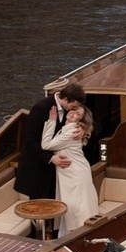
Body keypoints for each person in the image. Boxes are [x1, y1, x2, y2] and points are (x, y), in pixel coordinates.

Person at [41, 91, 99, 234]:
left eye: (78, 115)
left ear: (80, 121)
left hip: (75, 174)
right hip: (73, 172)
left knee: (77, 209)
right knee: (74, 208)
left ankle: (79, 236)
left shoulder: (72, 131)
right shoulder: (70, 128)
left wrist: (52, 121)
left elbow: (46, 145)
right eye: (73, 110)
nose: (73, 114)